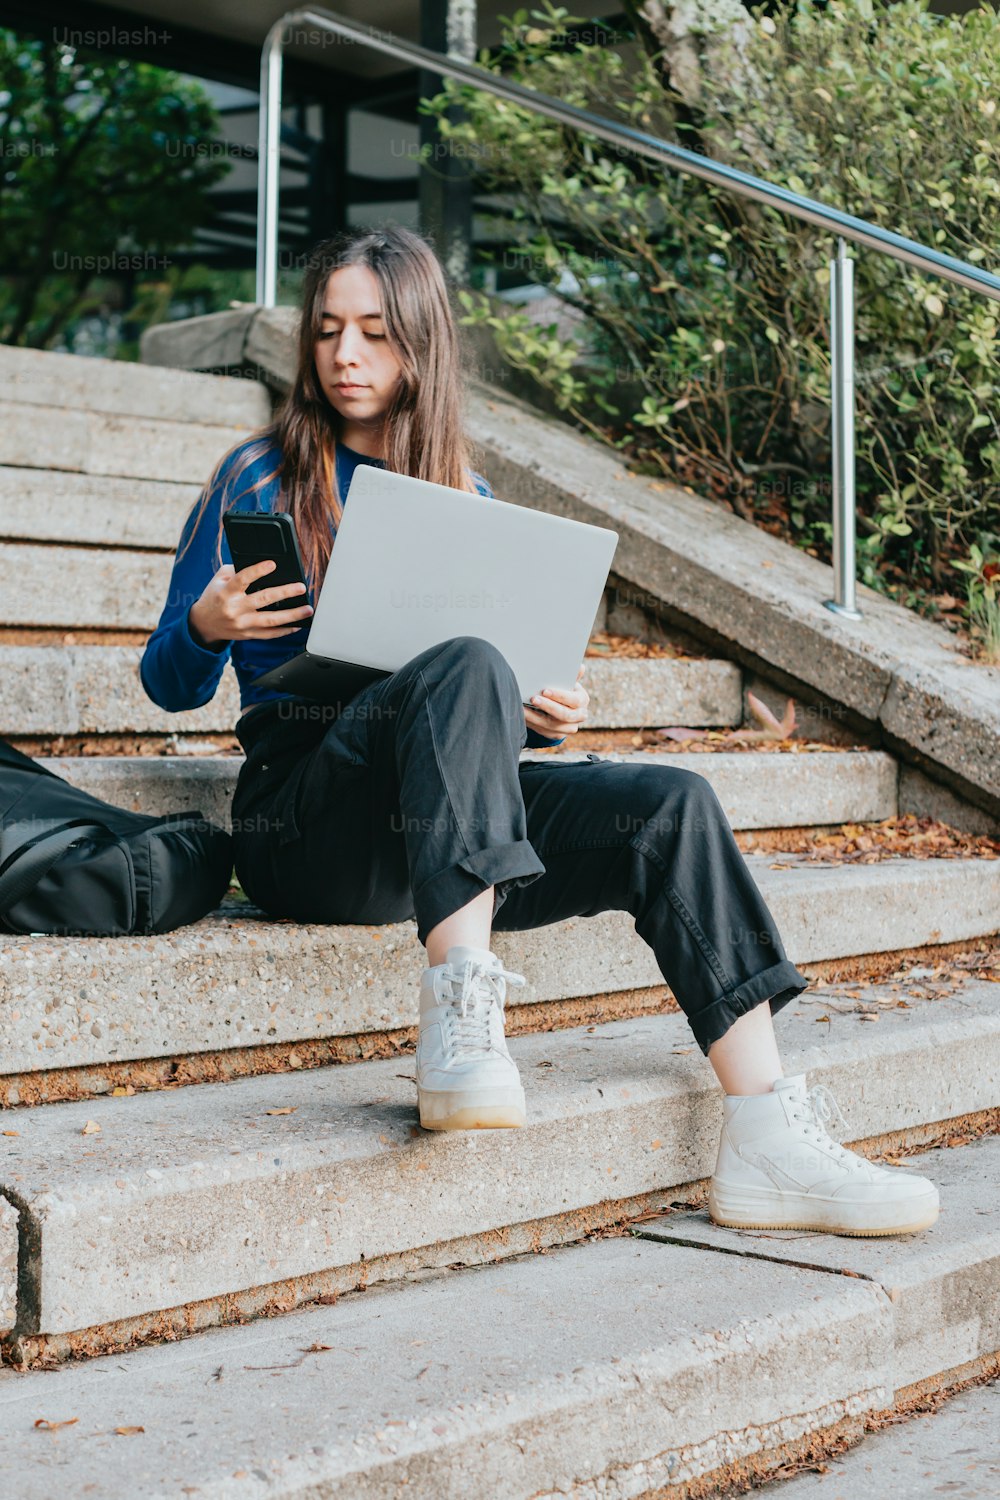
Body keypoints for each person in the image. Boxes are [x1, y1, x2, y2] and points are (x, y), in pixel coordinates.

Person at [140, 223, 939, 1239]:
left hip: (432, 834)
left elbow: (487, 713)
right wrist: (205, 628)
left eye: (376, 334)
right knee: (465, 661)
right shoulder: (256, 474)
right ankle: (461, 1016)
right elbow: (164, 683)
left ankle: (765, 1130)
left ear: (421, 345)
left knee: (669, 803)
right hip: (305, 825)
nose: (345, 354)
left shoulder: (465, 497)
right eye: (330, 330)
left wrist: (540, 716)